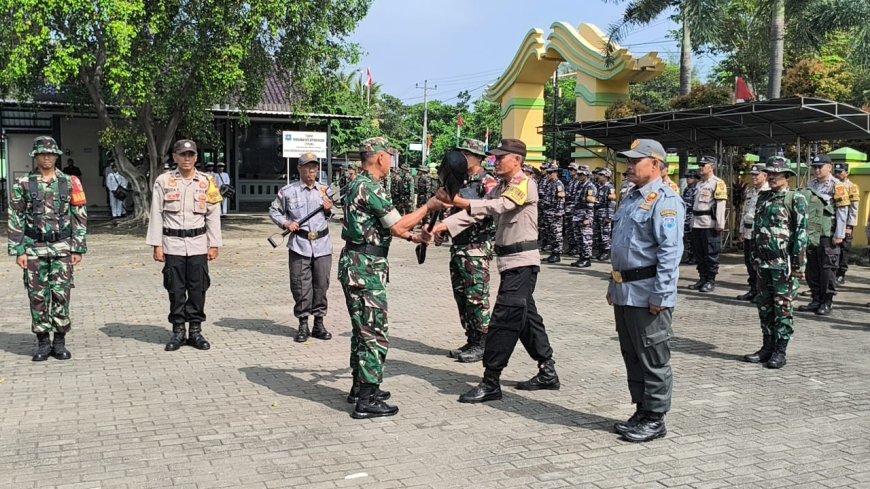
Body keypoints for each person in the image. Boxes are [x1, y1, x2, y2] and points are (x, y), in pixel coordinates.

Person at [428, 138, 561, 404]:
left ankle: (491, 380)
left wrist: (457, 202)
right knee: (526, 319)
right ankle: (547, 370)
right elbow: (477, 213)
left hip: (522, 262)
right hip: (509, 262)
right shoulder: (501, 185)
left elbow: (497, 207)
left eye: (501, 157)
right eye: (495, 157)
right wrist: (445, 225)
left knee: (504, 319)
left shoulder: (524, 183)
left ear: (517, 161)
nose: (495, 161)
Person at [340, 137, 448, 419]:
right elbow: (398, 223)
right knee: (374, 332)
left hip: (359, 263)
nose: (392, 160)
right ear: (379, 158)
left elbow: (392, 228)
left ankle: (361, 386)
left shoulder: (356, 183)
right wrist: (429, 206)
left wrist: (415, 236)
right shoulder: (371, 187)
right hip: (365, 268)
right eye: (390, 155)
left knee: (362, 330)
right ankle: (367, 399)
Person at [607, 139, 683, 443]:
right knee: (632, 355)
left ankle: (655, 417)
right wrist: (613, 284)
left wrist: (662, 295)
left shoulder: (666, 200)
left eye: (635, 161)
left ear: (655, 165)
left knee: (653, 356)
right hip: (625, 292)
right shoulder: (630, 198)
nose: (629, 166)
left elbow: (670, 251)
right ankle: (641, 409)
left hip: (649, 294)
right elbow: (623, 246)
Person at [8, 136, 88, 361]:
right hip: (34, 248)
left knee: (61, 294)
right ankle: (43, 342)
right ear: (35, 156)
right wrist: (19, 250)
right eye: (42, 153)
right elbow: (16, 217)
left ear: (56, 156)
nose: (47, 157)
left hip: (62, 248)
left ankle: (60, 341)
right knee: (37, 296)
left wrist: (77, 248)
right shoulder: (23, 183)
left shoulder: (70, 182)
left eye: (50, 154)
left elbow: (79, 216)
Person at [146, 139, 223, 352]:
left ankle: (196, 331)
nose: (187, 159)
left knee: (198, 289)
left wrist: (214, 243)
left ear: (196, 157)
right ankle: (178, 330)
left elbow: (213, 214)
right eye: (182, 155)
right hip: (172, 245)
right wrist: (156, 245)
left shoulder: (207, 181)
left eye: (190, 155)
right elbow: (156, 214)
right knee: (175, 289)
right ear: (175, 157)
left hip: (198, 244)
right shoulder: (164, 181)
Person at [744, 156, 807, 369]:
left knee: (783, 308)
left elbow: (801, 233)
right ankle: (767, 347)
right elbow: (756, 230)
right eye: (769, 173)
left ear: (786, 176)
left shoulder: (795, 198)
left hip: (783, 265)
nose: (771, 177)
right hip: (763, 264)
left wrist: (799, 265)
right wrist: (753, 255)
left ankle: (780, 351)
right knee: (764, 307)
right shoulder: (763, 198)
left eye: (776, 174)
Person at [269, 153, 334, 343]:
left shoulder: (325, 190)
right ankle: (303, 324)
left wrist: (329, 209)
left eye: (314, 167)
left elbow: (335, 214)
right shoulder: (288, 191)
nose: (311, 170)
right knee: (300, 286)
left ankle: (319, 324)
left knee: (321, 285)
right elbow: (274, 210)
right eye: (307, 167)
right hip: (300, 245)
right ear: (299, 169)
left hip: (322, 245)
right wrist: (285, 223)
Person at [445, 138, 499, 363]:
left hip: (476, 247)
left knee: (476, 297)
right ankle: (471, 338)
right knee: (462, 296)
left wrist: (453, 202)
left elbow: (486, 210)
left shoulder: (488, 182)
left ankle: (483, 343)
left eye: (466, 155)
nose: (462, 159)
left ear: (477, 157)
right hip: (459, 245)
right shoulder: (459, 180)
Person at [797, 155, 849, 315]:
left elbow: (842, 211)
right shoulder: (811, 184)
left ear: (829, 167)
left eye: (820, 166)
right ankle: (815, 299)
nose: (817, 170)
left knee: (827, 269)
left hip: (828, 233)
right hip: (812, 233)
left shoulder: (837, 186)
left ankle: (827, 301)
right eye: (815, 167)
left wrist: (839, 234)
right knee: (812, 268)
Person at [689, 156, 727, 292]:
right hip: (697, 224)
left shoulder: (718, 183)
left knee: (711, 254)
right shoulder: (699, 184)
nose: (700, 167)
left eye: (703, 165)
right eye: (700, 165)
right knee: (698, 254)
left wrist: (720, 224)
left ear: (712, 167)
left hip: (709, 224)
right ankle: (702, 278)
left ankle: (710, 280)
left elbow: (721, 205)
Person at [735, 164, 769, 301]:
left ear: (765, 175)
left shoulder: (768, 191)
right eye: (753, 175)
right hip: (749, 231)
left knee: (759, 263)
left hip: (760, 233)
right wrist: (742, 231)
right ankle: (753, 289)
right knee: (749, 262)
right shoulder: (751, 191)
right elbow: (745, 211)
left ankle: (762, 292)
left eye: (757, 175)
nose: (754, 177)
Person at [833, 162, 859, 285]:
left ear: (846, 173)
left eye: (840, 172)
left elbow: (854, 208)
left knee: (844, 249)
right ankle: (832, 273)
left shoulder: (851, 187)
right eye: (836, 172)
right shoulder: (831, 184)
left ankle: (841, 274)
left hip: (846, 224)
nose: (837, 174)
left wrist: (850, 226)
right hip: (833, 222)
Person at [570, 165, 597, 268]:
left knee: (586, 238)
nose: (579, 176)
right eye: (578, 174)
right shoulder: (579, 185)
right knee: (579, 238)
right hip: (577, 215)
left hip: (584, 215)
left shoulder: (590, 187)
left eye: (581, 174)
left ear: (586, 175)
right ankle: (581, 257)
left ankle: (586, 259)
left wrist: (587, 218)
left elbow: (590, 204)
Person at [541, 163, 565, 263]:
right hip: (548, 212)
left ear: (555, 173)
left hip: (555, 213)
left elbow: (561, 200)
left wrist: (558, 212)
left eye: (551, 172)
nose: (549, 174)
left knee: (556, 234)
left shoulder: (559, 184)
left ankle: (557, 254)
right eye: (548, 172)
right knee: (551, 234)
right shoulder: (549, 183)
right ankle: (552, 253)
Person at [593, 168, 616, 261]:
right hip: (597, 212)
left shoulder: (610, 188)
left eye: (601, 175)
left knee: (605, 233)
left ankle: (606, 252)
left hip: (605, 212)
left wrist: (609, 217)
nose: (599, 176)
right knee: (597, 233)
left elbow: (612, 203)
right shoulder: (597, 186)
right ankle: (600, 251)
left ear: (606, 177)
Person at [680, 170, 699, 264]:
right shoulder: (687, 189)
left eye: (690, 177)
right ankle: (688, 256)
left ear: (696, 179)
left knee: (693, 239)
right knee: (686, 238)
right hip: (685, 217)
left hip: (692, 217)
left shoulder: (697, 189)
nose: (688, 179)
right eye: (687, 177)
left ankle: (694, 257)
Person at [563, 163, 580, 255]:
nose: (570, 171)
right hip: (568, 207)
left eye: (572, 169)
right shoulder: (571, 181)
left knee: (575, 229)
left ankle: (576, 247)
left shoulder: (579, 182)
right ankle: (571, 246)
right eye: (569, 169)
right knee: (569, 229)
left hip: (574, 208)